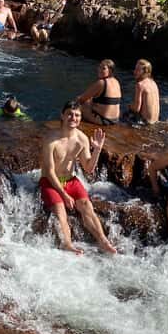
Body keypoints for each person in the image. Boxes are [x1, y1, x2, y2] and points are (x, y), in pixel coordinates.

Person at [39, 101, 117, 255]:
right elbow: (49, 171)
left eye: (77, 115)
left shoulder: (82, 139)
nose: (73, 118)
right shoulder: (51, 139)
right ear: (62, 115)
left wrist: (97, 150)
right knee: (60, 210)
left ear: (80, 118)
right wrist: (64, 194)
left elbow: (88, 168)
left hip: (71, 180)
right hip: (50, 182)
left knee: (87, 206)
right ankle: (68, 244)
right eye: (69, 114)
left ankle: (102, 240)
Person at [76, 59, 122, 125]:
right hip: (115, 120)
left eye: (103, 68)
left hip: (103, 120)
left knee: (78, 104)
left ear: (110, 71)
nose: (99, 70)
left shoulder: (101, 83)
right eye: (99, 67)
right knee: (89, 101)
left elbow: (82, 99)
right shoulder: (116, 82)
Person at [124, 59, 160, 124]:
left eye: (138, 70)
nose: (134, 71)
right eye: (135, 69)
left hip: (144, 122)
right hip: (155, 121)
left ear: (145, 72)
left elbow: (136, 109)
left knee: (123, 116)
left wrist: (129, 106)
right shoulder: (153, 83)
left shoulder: (140, 85)